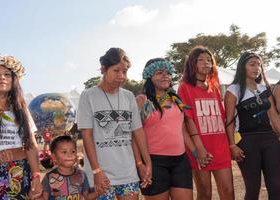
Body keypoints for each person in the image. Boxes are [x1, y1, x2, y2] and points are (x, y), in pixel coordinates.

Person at [76, 47, 152, 200]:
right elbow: (87, 135)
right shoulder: (88, 96)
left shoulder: (129, 96)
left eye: (124, 72)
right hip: (101, 175)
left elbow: (137, 131)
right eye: (116, 70)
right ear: (104, 69)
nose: (121, 76)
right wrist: (97, 171)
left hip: (128, 174)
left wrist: (146, 163)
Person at [177, 46, 234, 200]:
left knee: (228, 192)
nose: (206, 63)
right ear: (192, 64)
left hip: (220, 147)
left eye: (209, 60)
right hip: (200, 149)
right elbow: (188, 120)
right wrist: (198, 150)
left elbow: (222, 119)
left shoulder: (215, 87)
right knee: (204, 194)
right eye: (200, 60)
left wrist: (232, 144)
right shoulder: (184, 88)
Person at [224, 52, 280, 200]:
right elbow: (229, 121)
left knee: (276, 188)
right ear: (242, 67)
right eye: (252, 64)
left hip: (270, 140)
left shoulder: (264, 89)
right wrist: (232, 145)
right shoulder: (233, 90)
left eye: (259, 64)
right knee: (253, 189)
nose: (256, 67)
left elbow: (275, 118)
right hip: (247, 142)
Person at [0, 54, 42, 199]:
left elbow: (31, 145)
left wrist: (36, 176)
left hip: (20, 174)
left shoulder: (21, 109)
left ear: (13, 80)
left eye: (7, 74)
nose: (1, 77)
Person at [135, 58, 193, 200]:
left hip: (180, 161)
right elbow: (134, 135)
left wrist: (196, 151)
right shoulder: (142, 100)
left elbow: (181, 128)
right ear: (149, 76)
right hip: (154, 162)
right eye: (159, 72)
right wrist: (140, 163)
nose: (165, 76)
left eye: (167, 73)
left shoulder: (174, 98)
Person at [42, 135, 100, 199]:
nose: (70, 155)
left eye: (73, 151)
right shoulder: (49, 177)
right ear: (54, 156)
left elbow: (87, 197)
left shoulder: (82, 175)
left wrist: (99, 192)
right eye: (64, 152)